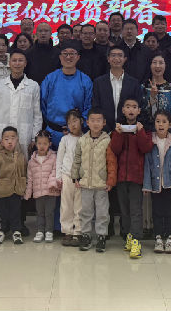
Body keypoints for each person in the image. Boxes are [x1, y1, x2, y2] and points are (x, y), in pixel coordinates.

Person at [109, 97, 153, 258]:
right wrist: (118, 133)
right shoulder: (118, 129)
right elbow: (115, 149)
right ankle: (128, 236)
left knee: (135, 210)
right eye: (128, 106)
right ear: (123, 110)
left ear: (139, 111)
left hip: (136, 178)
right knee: (124, 211)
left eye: (134, 107)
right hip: (121, 177)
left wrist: (140, 132)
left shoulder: (143, 130)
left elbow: (146, 147)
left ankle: (136, 240)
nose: (131, 109)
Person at [71, 108, 116, 252]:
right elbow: (77, 159)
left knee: (102, 212)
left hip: (101, 184)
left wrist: (110, 180)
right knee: (85, 211)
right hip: (85, 183)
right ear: (87, 122)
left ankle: (101, 236)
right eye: (93, 120)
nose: (96, 123)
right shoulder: (82, 140)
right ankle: (86, 235)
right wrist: (75, 176)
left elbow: (111, 162)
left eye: (99, 120)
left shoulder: (108, 140)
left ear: (104, 123)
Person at [142, 110, 171, 255]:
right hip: (155, 185)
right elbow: (147, 165)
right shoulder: (150, 141)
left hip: (170, 184)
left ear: (169, 125)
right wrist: (147, 185)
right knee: (157, 211)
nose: (161, 124)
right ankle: (158, 238)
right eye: (158, 121)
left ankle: (170, 238)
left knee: (170, 211)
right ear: (154, 124)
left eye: (164, 122)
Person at [40, 44, 93, 147]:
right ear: (60, 57)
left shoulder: (85, 80)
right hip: (52, 133)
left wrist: (75, 126)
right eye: (65, 54)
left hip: (76, 134)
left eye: (72, 54)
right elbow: (43, 104)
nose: (68, 57)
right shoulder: (50, 79)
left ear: (78, 57)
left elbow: (88, 106)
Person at [0, 126, 29, 245]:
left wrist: (24, 186)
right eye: (6, 139)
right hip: (2, 191)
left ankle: (16, 230)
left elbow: (24, 173)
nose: (10, 142)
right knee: (2, 212)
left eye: (12, 138)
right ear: (1, 141)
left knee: (16, 211)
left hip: (16, 191)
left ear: (17, 140)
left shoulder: (21, 157)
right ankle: (1, 231)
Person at [0, 51, 42, 151]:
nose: (17, 63)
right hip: (2, 135)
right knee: (2, 160)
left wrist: (34, 137)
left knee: (22, 160)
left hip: (24, 136)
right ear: (9, 63)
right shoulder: (0, 85)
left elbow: (37, 115)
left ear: (25, 63)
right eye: (14, 60)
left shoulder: (33, 86)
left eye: (20, 60)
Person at [91, 46, 144, 134]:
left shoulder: (134, 83)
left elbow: (138, 106)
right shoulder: (98, 82)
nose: (116, 58)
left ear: (125, 59)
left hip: (127, 130)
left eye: (120, 55)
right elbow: (96, 106)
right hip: (104, 130)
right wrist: (104, 127)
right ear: (108, 59)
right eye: (113, 55)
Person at [24, 131, 61, 243]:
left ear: (49, 144)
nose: (42, 146)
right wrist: (28, 193)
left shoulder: (53, 157)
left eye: (45, 143)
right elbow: (30, 178)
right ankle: (40, 231)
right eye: (39, 143)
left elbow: (55, 171)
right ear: (36, 144)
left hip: (51, 191)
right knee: (40, 213)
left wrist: (52, 183)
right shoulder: (32, 161)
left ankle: (49, 231)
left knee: (49, 213)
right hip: (38, 192)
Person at [56, 109, 85, 246]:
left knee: (79, 206)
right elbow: (59, 159)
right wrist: (59, 176)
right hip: (67, 176)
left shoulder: (86, 138)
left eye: (75, 121)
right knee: (66, 205)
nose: (72, 125)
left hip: (81, 178)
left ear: (81, 121)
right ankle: (67, 231)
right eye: (69, 123)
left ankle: (78, 232)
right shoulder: (65, 139)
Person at [142, 53, 171, 135]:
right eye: (154, 62)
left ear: (166, 65)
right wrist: (152, 98)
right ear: (150, 65)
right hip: (146, 136)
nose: (157, 66)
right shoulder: (142, 88)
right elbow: (140, 114)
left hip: (168, 137)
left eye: (161, 63)